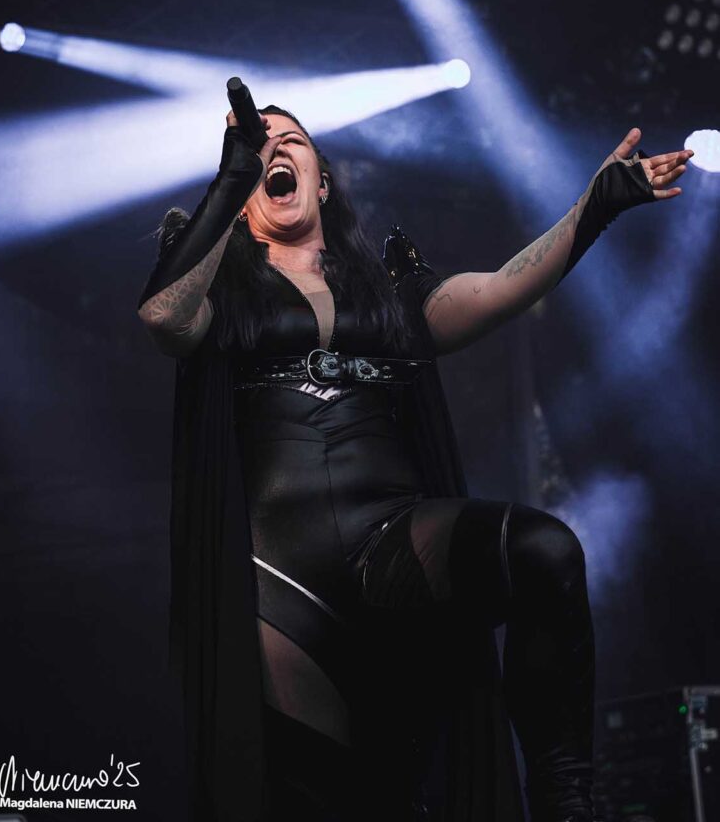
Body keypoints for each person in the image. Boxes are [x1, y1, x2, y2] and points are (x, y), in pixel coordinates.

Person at [137, 104, 692, 822]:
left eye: (290, 140)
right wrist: (232, 174)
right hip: (277, 579)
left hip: (391, 541)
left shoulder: (386, 289)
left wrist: (598, 205)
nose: (273, 148)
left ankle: (567, 805)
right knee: (330, 796)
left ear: (322, 181)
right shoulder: (220, 285)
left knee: (546, 550)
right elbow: (163, 316)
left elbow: (499, 289)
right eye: (256, 145)